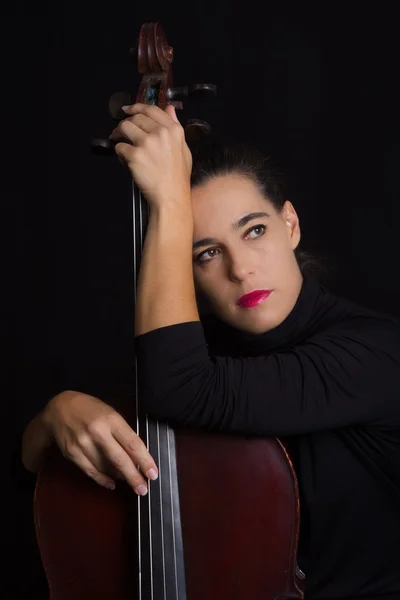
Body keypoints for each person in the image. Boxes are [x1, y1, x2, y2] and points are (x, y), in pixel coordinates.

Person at [22, 103, 400, 599]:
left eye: (255, 230)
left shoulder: (376, 352)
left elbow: (182, 389)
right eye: (206, 253)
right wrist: (55, 417)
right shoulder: (199, 359)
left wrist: (170, 203)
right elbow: (33, 469)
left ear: (290, 225)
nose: (240, 269)